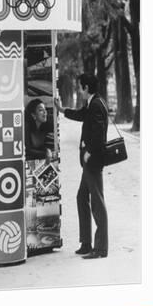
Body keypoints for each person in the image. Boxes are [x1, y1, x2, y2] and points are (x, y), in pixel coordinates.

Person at [54, 74, 109, 259]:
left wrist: (89, 151)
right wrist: (62, 110)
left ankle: (100, 248)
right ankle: (86, 243)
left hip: (93, 161)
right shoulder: (92, 103)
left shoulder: (96, 105)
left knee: (97, 203)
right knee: (81, 198)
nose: (79, 90)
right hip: (89, 162)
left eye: (80, 87)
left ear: (86, 88)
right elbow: (80, 115)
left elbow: (100, 135)